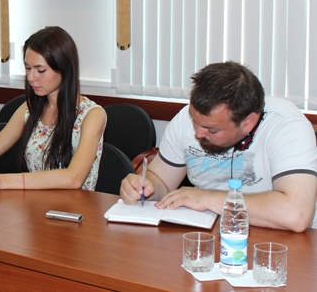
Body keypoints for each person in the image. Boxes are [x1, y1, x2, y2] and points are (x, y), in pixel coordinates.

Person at [120, 61, 317, 232]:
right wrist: (144, 186)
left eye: (211, 130)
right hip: (207, 232)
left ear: (248, 122)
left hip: (279, 240)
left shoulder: (287, 126)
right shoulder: (186, 119)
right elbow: (161, 181)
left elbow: (296, 214)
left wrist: (207, 199)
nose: (198, 133)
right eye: (194, 121)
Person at [0, 26, 106, 190]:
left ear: (64, 68)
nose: (31, 78)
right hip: (34, 201)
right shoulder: (29, 108)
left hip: (76, 205)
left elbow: (73, 178)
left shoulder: (92, 114)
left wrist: (2, 181)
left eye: (40, 70)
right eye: (28, 68)